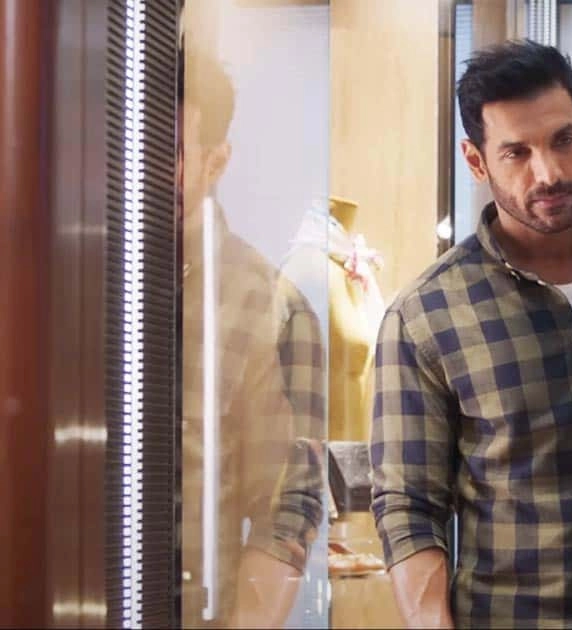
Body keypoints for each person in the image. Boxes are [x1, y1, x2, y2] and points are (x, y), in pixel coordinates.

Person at [370, 40, 572, 628]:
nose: (548, 173)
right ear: (476, 162)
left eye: (563, 140)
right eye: (516, 153)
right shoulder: (425, 315)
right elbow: (409, 507)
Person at [178, 46, 325, 627]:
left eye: (170, 150)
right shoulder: (65, 287)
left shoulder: (270, 308)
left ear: (216, 162)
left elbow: (285, 509)